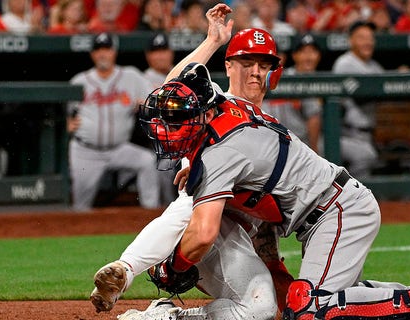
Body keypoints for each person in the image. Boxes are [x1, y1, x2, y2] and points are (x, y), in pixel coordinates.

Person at [130, 55, 410, 319]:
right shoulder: (228, 108)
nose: (167, 128)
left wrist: (173, 266)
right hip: (326, 210)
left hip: (337, 209)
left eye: (178, 119)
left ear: (204, 112)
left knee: (309, 308)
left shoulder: (220, 151)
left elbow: (203, 233)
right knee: (327, 298)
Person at [89, 5, 296, 318]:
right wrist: (212, 41)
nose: (254, 71)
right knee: (191, 201)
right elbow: (170, 85)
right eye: (246, 62)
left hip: (232, 238)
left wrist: (274, 268)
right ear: (228, 66)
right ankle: (125, 269)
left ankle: (162, 315)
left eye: (263, 64)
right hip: (196, 225)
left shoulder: (276, 131)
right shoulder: (215, 102)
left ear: (274, 73)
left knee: (262, 308)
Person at [67, 32, 161, 211]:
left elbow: (154, 99)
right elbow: (63, 110)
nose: (103, 54)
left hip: (119, 148)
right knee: (80, 208)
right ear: (92, 54)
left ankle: (151, 215)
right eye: (98, 50)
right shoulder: (79, 81)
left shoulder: (131, 77)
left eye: (107, 49)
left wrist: (146, 103)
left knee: (147, 162)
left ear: (114, 52)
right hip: (86, 151)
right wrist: (66, 123)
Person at [331, 20, 381, 178]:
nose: (367, 42)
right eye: (361, 37)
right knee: (366, 156)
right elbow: (367, 92)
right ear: (350, 40)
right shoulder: (345, 63)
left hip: (367, 135)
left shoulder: (373, 65)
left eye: (370, 38)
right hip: (345, 134)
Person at [262, 33, 322, 153]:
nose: (308, 57)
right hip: (270, 142)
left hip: (300, 143)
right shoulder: (279, 78)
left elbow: (313, 118)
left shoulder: (298, 79)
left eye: (312, 51)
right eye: (303, 52)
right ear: (294, 55)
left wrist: (314, 151)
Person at [142, 32, 178, 205]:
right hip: (159, 145)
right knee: (164, 165)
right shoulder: (141, 80)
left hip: (188, 138)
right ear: (148, 56)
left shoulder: (184, 73)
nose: (161, 56)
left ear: (171, 52)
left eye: (164, 50)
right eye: (156, 51)